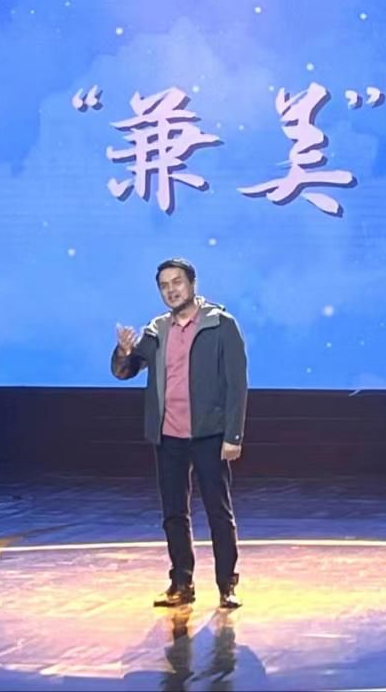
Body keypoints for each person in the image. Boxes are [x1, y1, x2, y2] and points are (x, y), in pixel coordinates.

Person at [111, 258, 248, 609]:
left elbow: (237, 385)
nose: (171, 290)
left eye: (177, 282)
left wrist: (233, 436)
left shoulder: (221, 325)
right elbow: (125, 371)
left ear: (192, 284)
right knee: (173, 513)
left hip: (209, 434)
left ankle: (226, 584)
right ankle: (181, 583)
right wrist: (124, 352)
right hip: (168, 435)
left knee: (219, 512)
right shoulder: (157, 330)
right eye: (164, 285)